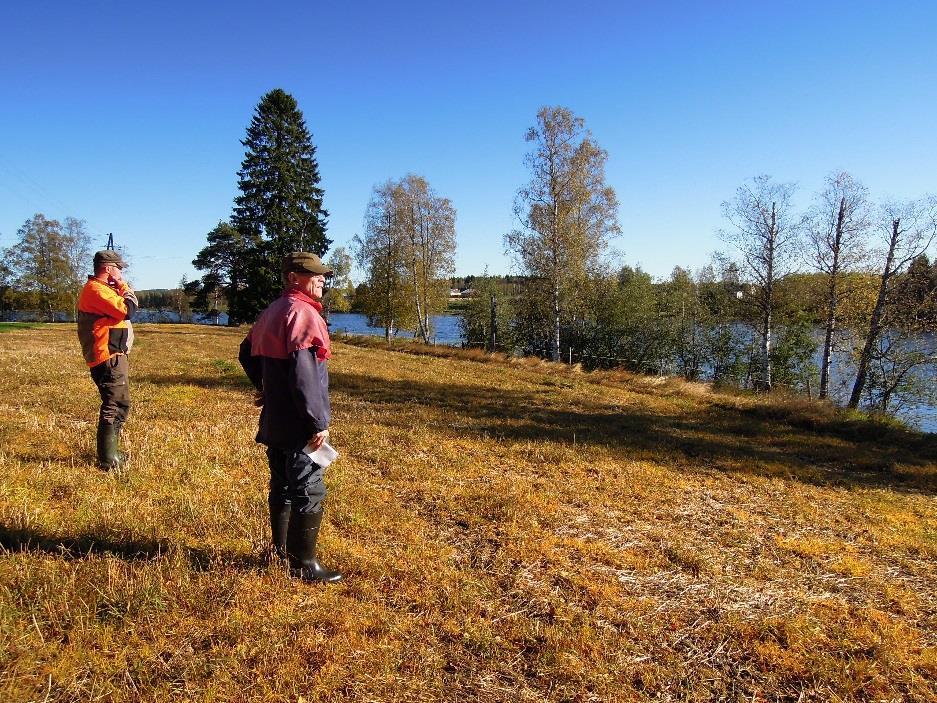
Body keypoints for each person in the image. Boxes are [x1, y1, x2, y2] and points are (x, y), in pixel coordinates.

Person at [238, 252, 343, 584]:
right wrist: (317, 421)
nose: (323, 278)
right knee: (308, 489)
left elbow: (245, 352)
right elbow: (304, 375)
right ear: (294, 276)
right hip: (298, 421)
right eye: (315, 274)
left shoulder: (273, 311)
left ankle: (280, 552)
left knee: (282, 484)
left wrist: (266, 386)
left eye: (324, 274)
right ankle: (304, 566)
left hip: (276, 418)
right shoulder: (302, 314)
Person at [77, 250, 138, 469]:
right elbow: (128, 309)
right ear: (109, 269)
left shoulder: (101, 290)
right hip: (107, 356)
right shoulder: (96, 290)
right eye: (119, 269)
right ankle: (108, 459)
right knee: (115, 404)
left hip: (112, 353)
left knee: (118, 403)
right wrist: (123, 285)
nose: (121, 274)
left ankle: (111, 454)